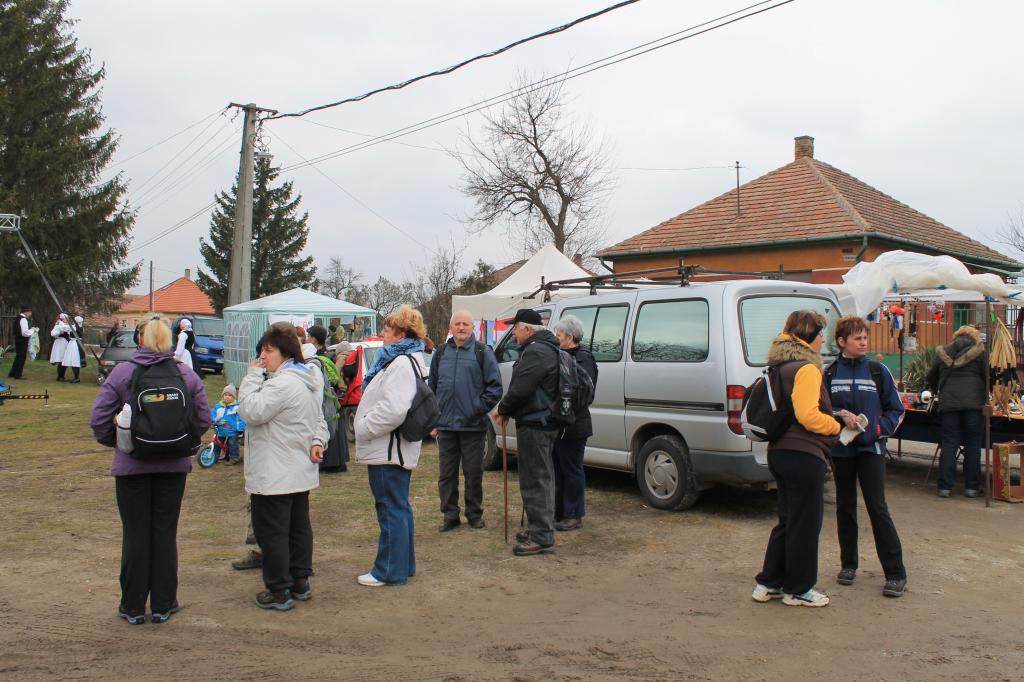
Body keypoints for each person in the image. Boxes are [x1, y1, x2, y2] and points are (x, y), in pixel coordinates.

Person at [89, 319, 211, 624]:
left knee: (135, 534)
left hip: (133, 468)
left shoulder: (123, 373)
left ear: (140, 339)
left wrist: (120, 443)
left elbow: (99, 417)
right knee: (164, 533)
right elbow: (203, 418)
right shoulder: (185, 373)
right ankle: (163, 603)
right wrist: (186, 441)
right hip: (173, 467)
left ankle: (132, 606)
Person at [752, 310, 841, 608]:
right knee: (805, 524)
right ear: (810, 337)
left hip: (779, 452)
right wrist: (836, 426)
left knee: (788, 521)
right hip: (804, 454)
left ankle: (768, 582)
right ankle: (799, 589)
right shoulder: (807, 369)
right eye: (820, 336)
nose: (823, 341)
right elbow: (808, 415)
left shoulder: (778, 365)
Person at [237, 322, 328, 611]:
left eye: (269, 351)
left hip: (276, 471)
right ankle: (300, 581)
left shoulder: (283, 383)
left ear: (285, 352)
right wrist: (318, 441)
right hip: (296, 468)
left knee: (273, 531)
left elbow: (251, 411)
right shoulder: (306, 379)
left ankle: (279, 589)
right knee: (298, 528)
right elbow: (318, 420)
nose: (263, 357)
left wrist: (251, 377)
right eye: (262, 351)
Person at [825, 316, 907, 598]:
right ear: (842, 341)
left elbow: (897, 410)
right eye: (857, 338)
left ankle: (895, 573)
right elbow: (822, 410)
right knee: (845, 507)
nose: (863, 342)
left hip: (871, 450)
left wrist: (876, 430)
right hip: (842, 450)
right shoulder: (829, 373)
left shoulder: (877, 371)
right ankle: (848, 565)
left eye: (865, 337)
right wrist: (839, 417)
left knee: (877, 508)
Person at [353, 305, 428, 586]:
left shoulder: (399, 363)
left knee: (390, 509)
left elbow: (394, 409)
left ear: (399, 333)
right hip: (392, 448)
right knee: (399, 507)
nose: (382, 333)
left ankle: (388, 570)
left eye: (386, 328)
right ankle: (403, 565)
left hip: (388, 449)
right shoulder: (405, 360)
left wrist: (364, 427)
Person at [494, 308, 561, 557]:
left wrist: (503, 408)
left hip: (536, 424)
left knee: (536, 480)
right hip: (541, 422)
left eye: (515, 329)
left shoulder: (536, 351)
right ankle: (539, 527)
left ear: (527, 329)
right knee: (541, 477)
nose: (513, 335)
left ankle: (542, 535)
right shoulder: (547, 348)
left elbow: (522, 387)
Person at [428, 309, 503, 532]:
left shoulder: (482, 352)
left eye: (466, 324)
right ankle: (450, 515)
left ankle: (474, 513)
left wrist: (476, 409)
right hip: (446, 426)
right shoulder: (440, 353)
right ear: (450, 328)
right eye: (457, 324)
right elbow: (431, 388)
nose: (461, 327)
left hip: (473, 426)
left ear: (472, 328)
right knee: (447, 475)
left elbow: (495, 387)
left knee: (473, 473)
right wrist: (434, 418)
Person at [926, 324, 987, 498]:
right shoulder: (980, 352)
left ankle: (945, 487)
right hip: (974, 405)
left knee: (949, 443)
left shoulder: (943, 351)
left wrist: (936, 388)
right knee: (973, 444)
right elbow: (987, 375)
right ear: (974, 337)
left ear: (955, 336)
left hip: (949, 404)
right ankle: (972, 488)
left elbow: (931, 375)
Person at [552, 315, 598, 532]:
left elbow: (584, 392)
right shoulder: (559, 355)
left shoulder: (583, 359)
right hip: (558, 425)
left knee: (572, 469)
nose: (556, 338)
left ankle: (573, 514)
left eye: (558, 335)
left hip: (574, 424)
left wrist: (565, 410)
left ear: (569, 337)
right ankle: (558, 511)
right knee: (558, 469)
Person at [307, 325, 349, 472]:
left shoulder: (320, 357)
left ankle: (332, 463)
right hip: (330, 397)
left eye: (308, 336)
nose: (306, 339)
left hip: (326, 397)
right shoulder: (325, 353)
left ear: (313, 339)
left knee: (328, 428)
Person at [211, 384, 245, 465]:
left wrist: (240, 428)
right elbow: (213, 414)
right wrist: (212, 420)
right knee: (217, 444)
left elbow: (242, 418)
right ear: (223, 396)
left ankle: (234, 458)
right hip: (221, 429)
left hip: (233, 430)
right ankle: (214, 457)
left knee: (232, 444)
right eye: (225, 395)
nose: (227, 397)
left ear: (234, 397)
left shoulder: (237, 407)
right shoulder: (218, 406)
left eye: (230, 395)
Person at [7, 305, 33, 380]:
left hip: (18, 339)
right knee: (22, 357)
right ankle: (18, 375)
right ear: (27, 312)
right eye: (30, 312)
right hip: (22, 340)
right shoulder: (23, 319)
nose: (30, 314)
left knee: (18, 356)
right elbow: (24, 333)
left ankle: (12, 373)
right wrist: (32, 331)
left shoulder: (17, 318)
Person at [60, 314, 85, 383]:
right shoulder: (81, 327)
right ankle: (76, 377)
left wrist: (61, 322)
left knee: (74, 360)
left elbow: (63, 328)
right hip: (78, 343)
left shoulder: (74, 327)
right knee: (75, 360)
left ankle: (76, 378)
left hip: (74, 344)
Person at [49, 313, 72, 380]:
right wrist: (59, 332)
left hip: (65, 343)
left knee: (64, 360)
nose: (67, 320)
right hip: (60, 343)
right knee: (62, 360)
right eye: (66, 319)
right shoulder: (58, 325)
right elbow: (53, 333)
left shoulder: (66, 325)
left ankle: (62, 376)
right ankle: (60, 376)